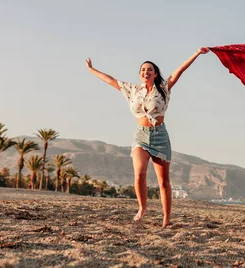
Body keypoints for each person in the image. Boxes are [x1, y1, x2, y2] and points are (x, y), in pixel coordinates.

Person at [85, 47, 209, 227]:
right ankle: (142, 207)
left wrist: (197, 53)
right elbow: (110, 80)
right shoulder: (133, 90)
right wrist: (91, 69)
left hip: (160, 136)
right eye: (143, 70)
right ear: (140, 74)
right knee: (139, 173)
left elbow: (180, 69)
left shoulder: (164, 88)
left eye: (149, 69)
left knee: (163, 182)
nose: (146, 72)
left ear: (155, 73)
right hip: (140, 136)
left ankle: (166, 219)